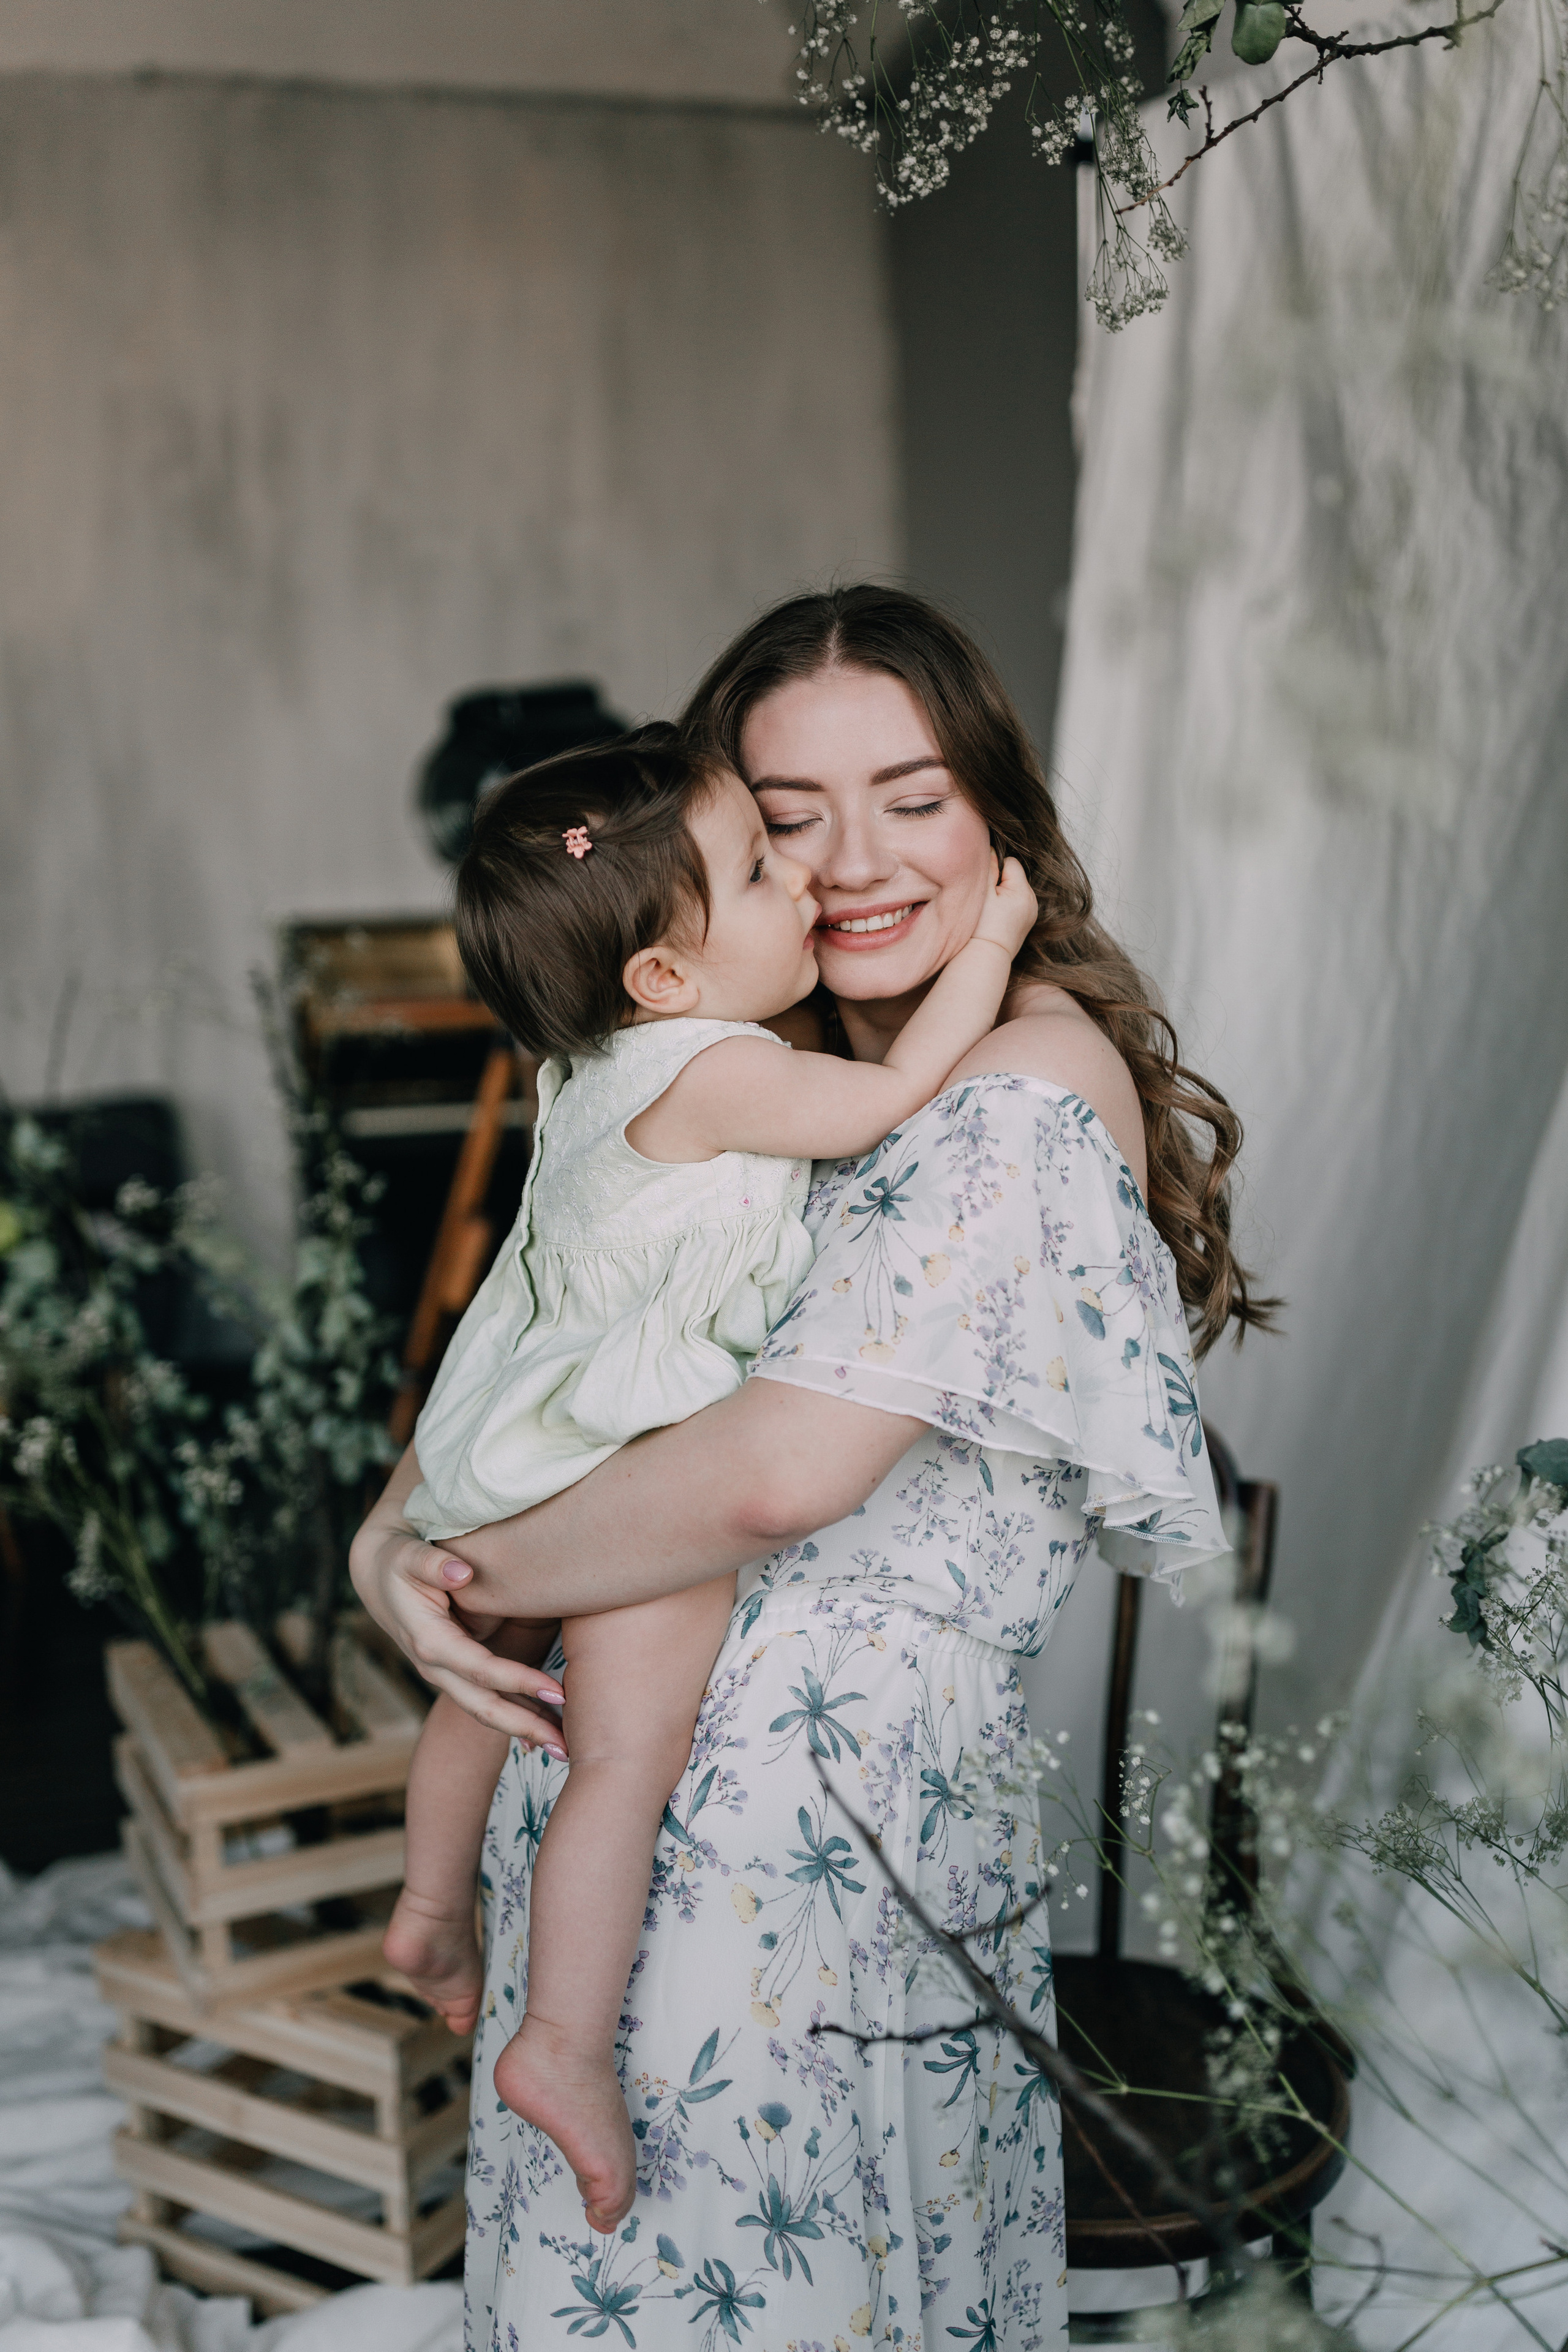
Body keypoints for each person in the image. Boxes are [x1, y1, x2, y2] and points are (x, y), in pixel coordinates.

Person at [352, 587, 1274, 2350]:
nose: (851, 863)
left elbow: (776, 1476)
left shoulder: (1013, 1083)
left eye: (914, 799)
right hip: (622, 1879)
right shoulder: (725, 1092)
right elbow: (534, 1367)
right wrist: (385, 1548)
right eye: (786, 825)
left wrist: (457, 1568)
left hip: (806, 1903)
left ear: (1000, 814)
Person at [383, 722, 1038, 2234]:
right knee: (617, 1754)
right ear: (664, 979)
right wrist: (988, 946)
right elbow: (889, 1105)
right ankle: (558, 2044)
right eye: (760, 865)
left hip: (524, 1439)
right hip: (632, 1453)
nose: (803, 882)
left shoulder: (587, 1072)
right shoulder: (725, 1068)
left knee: (488, 1680)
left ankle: (425, 1911)